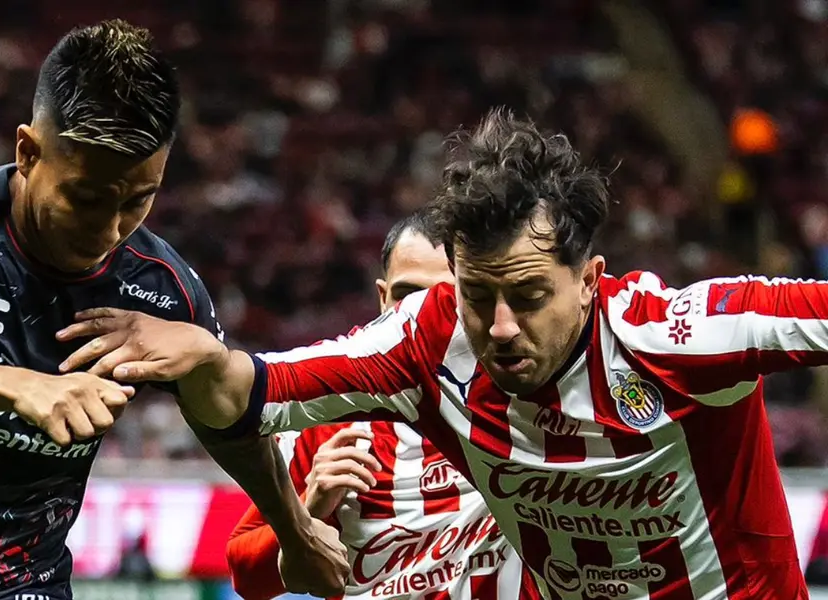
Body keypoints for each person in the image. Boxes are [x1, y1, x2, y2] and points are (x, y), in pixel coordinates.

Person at [56, 108, 814, 599]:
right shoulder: (425, 339)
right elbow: (246, 390)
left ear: (589, 282)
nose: (502, 327)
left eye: (529, 296)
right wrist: (199, 357)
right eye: (480, 296)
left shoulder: (679, 334)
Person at [0, 19, 345, 600]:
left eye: (138, 200)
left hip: (20, 581)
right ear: (28, 152)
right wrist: (18, 389)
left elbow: (228, 425)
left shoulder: (164, 290)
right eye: (85, 198)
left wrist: (295, 531)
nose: (109, 230)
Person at [226, 214, 526, 600]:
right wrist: (307, 510)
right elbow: (246, 578)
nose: (420, 314)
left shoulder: (523, 398)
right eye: (406, 295)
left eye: (443, 298)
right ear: (382, 297)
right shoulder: (331, 408)